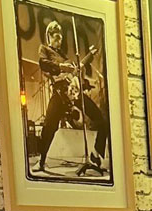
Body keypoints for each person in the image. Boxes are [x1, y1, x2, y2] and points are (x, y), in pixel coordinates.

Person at [36, 19, 107, 175]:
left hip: (74, 93)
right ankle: (41, 161)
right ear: (49, 37)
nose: (58, 40)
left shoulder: (65, 55)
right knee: (49, 128)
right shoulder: (45, 50)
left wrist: (85, 80)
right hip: (60, 94)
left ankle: (96, 154)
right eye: (55, 37)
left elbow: (74, 73)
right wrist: (62, 67)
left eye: (60, 38)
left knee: (101, 120)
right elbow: (43, 64)